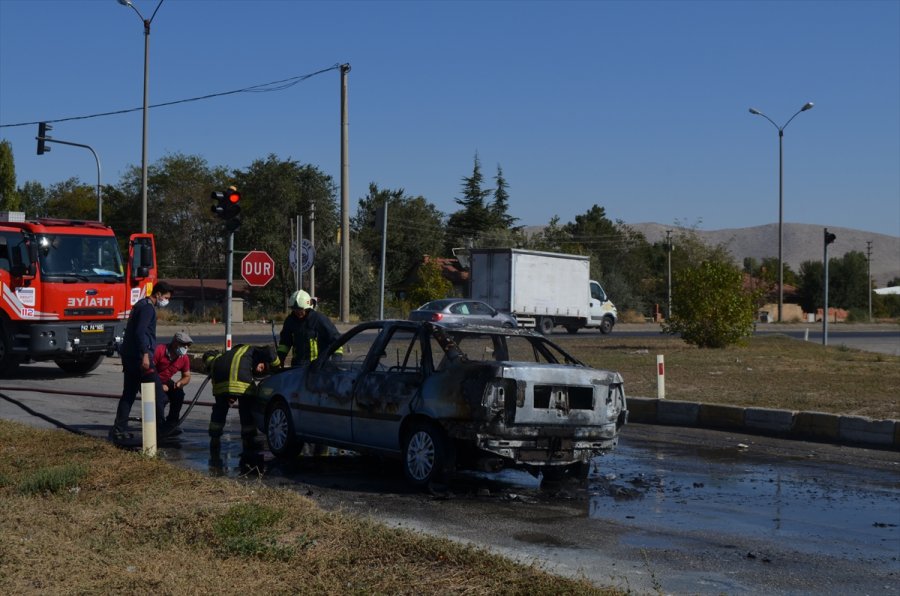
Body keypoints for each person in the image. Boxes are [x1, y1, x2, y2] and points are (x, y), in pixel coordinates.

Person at [109, 281, 174, 443]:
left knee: (129, 394)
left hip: (130, 357)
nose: (166, 301)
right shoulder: (147, 308)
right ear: (158, 294)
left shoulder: (140, 305)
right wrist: (145, 354)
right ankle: (159, 429)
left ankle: (119, 428)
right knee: (159, 395)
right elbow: (140, 332)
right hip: (140, 359)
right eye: (165, 298)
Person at [204, 345, 280, 450]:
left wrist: (231, 394)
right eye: (262, 367)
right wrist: (277, 367)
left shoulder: (227, 355)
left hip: (220, 382)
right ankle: (248, 441)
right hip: (240, 381)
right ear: (260, 360)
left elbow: (208, 356)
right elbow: (269, 350)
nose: (259, 370)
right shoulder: (253, 350)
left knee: (220, 410)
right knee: (247, 409)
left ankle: (214, 440)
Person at [277, 289, 341, 367]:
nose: (298, 312)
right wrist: (280, 359)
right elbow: (285, 343)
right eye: (295, 309)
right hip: (297, 367)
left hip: (318, 367)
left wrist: (336, 361)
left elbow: (336, 341)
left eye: (301, 309)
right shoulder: (290, 321)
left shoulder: (319, 319)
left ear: (307, 308)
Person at [154, 330, 193, 435]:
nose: (186, 348)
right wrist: (159, 386)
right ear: (175, 343)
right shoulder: (159, 350)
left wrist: (180, 383)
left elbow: (187, 376)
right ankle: (159, 426)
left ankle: (172, 423)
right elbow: (148, 371)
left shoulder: (184, 358)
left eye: (187, 346)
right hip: (150, 379)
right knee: (161, 398)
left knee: (179, 394)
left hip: (165, 381)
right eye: (184, 345)